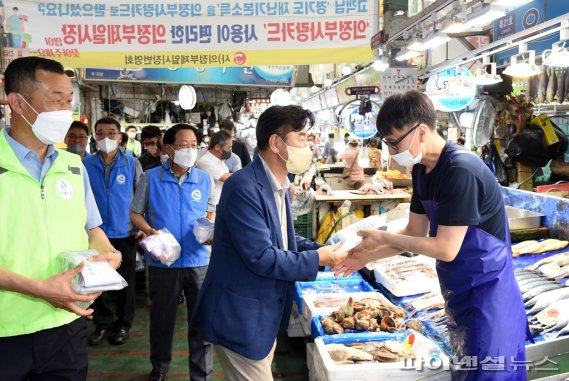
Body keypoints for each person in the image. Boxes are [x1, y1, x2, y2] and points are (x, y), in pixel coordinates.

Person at [333, 90, 528, 380]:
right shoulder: (422, 171)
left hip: (490, 298)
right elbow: (415, 231)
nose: (390, 150)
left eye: (393, 141)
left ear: (420, 131)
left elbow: (446, 248)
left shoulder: (460, 170)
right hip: (458, 293)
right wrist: (366, 257)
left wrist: (384, 238)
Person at [192, 105, 347, 381]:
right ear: (276, 143)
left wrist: (321, 249)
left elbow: (283, 239)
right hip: (240, 317)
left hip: (262, 315)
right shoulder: (243, 187)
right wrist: (318, 259)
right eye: (301, 137)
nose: (308, 145)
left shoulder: (279, 183)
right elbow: (261, 255)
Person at [0, 56, 121, 379]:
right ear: (17, 102)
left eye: (69, 100)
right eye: (56, 99)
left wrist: (108, 255)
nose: (65, 109)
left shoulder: (71, 165)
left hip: (67, 325)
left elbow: (92, 229)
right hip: (6, 329)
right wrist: (39, 288)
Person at [130, 124, 214, 381]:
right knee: (162, 320)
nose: (189, 150)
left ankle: (202, 374)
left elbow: (211, 211)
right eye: (182, 145)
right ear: (168, 148)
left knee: (201, 321)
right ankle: (159, 367)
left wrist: (209, 227)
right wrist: (148, 230)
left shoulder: (204, 179)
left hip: (198, 260)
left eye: (193, 145)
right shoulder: (151, 177)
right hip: (164, 262)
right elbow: (135, 213)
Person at [84, 117, 143, 346]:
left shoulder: (131, 163)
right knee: (96, 282)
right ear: (95, 137)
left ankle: (123, 324)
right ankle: (102, 323)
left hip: (125, 232)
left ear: (119, 137)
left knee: (125, 282)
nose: (106, 138)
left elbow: (140, 195)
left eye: (111, 133)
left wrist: (141, 224)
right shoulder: (85, 164)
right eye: (100, 133)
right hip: (95, 233)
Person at [196, 130, 233, 218]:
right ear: (217, 147)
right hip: (210, 211)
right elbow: (226, 177)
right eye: (229, 148)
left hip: (219, 206)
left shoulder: (220, 161)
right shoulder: (206, 161)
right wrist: (246, 174)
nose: (230, 150)